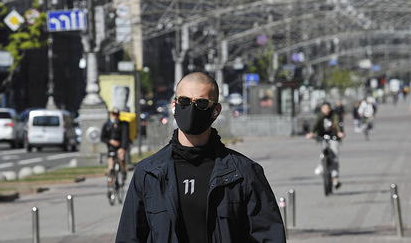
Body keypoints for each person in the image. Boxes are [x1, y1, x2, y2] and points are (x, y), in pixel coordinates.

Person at [115, 72, 286, 243]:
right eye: (184, 101)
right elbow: (129, 236)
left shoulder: (244, 172)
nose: (191, 108)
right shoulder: (148, 172)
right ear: (174, 105)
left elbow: (269, 236)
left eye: (202, 103)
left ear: (216, 111)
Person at [306, 101, 344, 189]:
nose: (326, 110)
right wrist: (311, 133)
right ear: (321, 109)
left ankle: (335, 178)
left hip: (333, 136)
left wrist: (339, 132)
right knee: (323, 150)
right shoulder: (320, 115)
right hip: (323, 136)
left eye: (327, 108)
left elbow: (337, 123)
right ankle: (321, 164)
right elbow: (315, 124)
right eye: (324, 109)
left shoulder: (334, 115)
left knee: (334, 156)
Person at [101, 107, 129, 181]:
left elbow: (125, 137)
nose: (115, 116)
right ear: (111, 114)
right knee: (111, 166)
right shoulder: (107, 125)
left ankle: (123, 170)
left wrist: (122, 148)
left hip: (120, 146)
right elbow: (102, 137)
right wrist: (110, 141)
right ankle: (111, 184)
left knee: (121, 156)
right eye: (114, 114)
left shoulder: (123, 125)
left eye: (117, 114)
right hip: (111, 147)